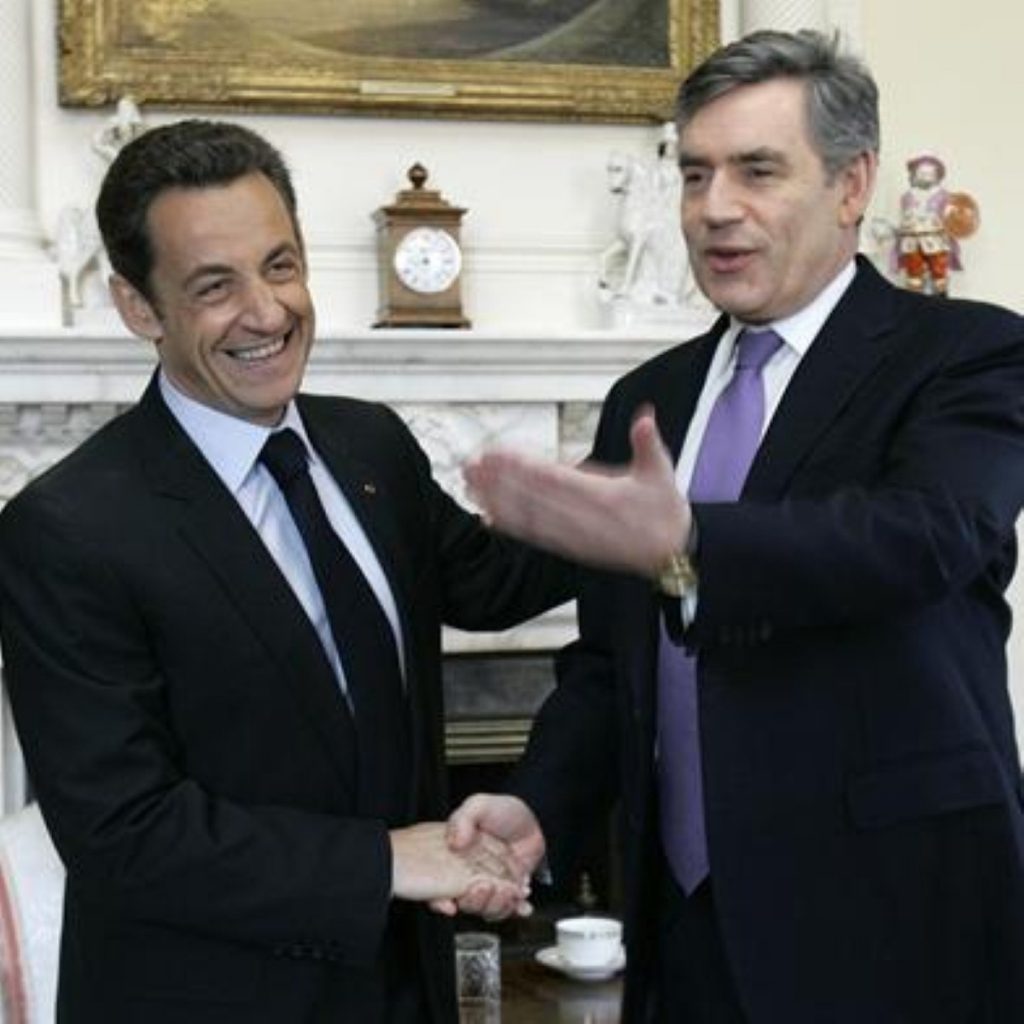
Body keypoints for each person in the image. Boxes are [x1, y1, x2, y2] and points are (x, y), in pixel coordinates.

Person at [451, 29, 1024, 1023]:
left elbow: (922, 536)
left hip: (894, 922)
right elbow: (610, 664)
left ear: (852, 186)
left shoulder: (964, 353)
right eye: (695, 172)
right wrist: (540, 802)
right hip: (686, 928)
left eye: (758, 170)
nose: (715, 209)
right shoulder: (650, 393)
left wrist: (685, 542)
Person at [0, 120, 568, 1023]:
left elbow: (490, 584)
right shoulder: (65, 530)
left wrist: (635, 520)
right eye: (214, 286)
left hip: (402, 991)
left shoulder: (369, 442)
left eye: (280, 266)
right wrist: (389, 861)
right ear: (138, 307)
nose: (266, 313)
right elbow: (126, 833)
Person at [895, 153, 959, 295]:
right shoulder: (907, 196)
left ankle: (940, 300)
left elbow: (952, 217)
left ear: (937, 175)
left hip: (935, 239)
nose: (925, 176)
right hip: (912, 240)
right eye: (921, 173)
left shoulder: (944, 196)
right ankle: (915, 304)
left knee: (938, 272)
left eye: (929, 173)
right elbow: (902, 217)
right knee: (913, 273)